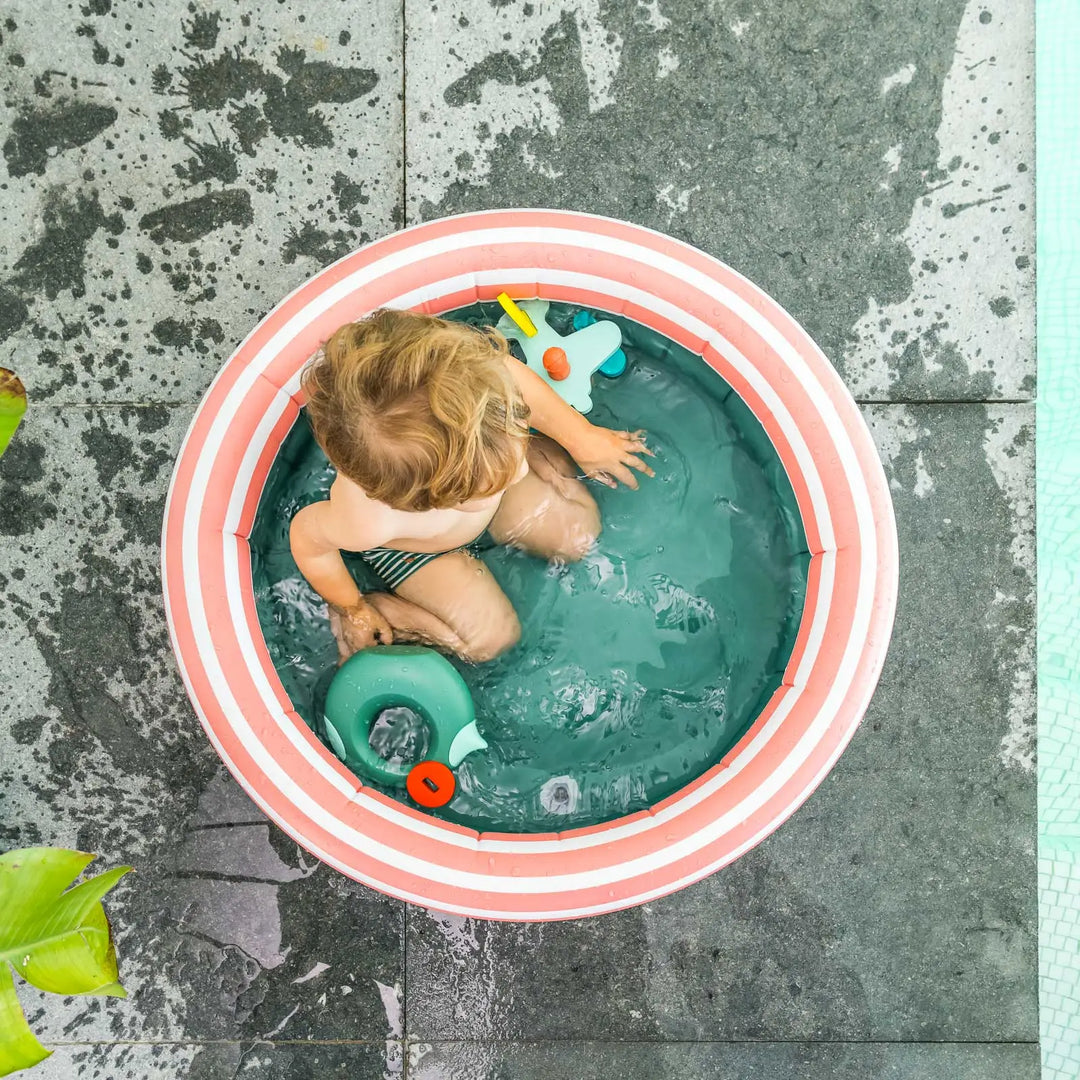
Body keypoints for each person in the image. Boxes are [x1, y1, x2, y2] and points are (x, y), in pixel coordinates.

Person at [290, 308, 653, 664]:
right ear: (420, 501)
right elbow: (309, 540)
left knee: (579, 536)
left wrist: (582, 438)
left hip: (479, 496)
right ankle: (386, 605)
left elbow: (510, 376)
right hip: (421, 553)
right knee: (489, 640)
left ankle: (496, 468)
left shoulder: (475, 385)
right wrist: (351, 607)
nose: (520, 469)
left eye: (514, 426)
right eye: (488, 481)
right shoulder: (369, 520)